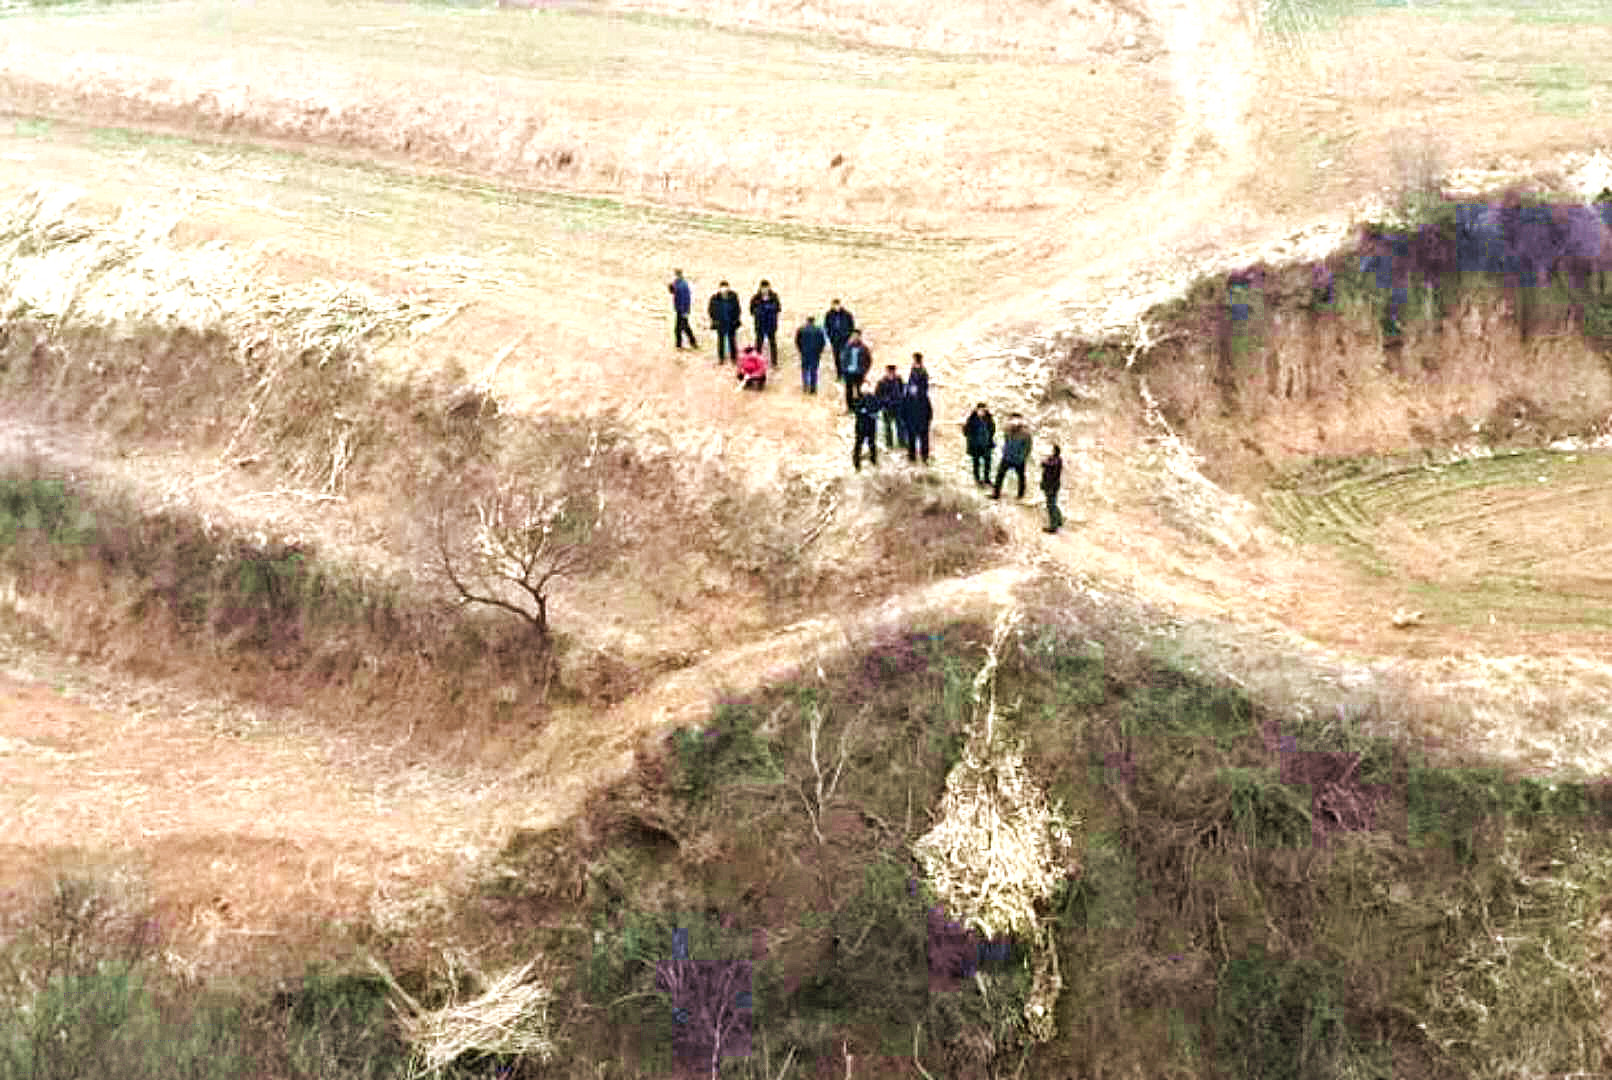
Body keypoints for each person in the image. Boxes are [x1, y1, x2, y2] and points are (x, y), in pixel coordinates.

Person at [992, 413, 1032, 500]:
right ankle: (996, 493)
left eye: (1017, 420)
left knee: (1021, 477)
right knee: (1000, 475)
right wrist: (1005, 451)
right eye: (1013, 420)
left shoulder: (1025, 434)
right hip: (1007, 457)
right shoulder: (1008, 430)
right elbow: (1006, 440)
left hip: (1018, 459)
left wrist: (1022, 457)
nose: (1014, 422)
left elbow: (1028, 448)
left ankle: (1020, 495)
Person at [750, 280, 783, 367]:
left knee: (772, 343)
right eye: (763, 288)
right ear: (760, 288)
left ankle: (774, 362)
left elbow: (778, 308)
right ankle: (757, 362)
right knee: (758, 345)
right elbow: (752, 310)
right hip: (760, 325)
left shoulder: (774, 297)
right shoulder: (756, 298)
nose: (764, 290)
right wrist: (761, 310)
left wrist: (769, 308)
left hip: (771, 324)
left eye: (766, 287)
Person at [708, 280, 742, 363]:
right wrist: (714, 320)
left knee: (732, 340)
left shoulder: (733, 297)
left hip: (731, 322)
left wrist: (736, 319)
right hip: (720, 323)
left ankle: (733, 357)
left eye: (725, 287)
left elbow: (737, 309)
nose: (724, 289)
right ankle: (721, 357)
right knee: (721, 341)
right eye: (722, 287)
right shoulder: (714, 298)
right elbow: (711, 310)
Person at [873, 364, 906, 449]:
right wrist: (883, 403)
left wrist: (901, 401)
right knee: (887, 426)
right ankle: (889, 443)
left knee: (900, 424)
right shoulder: (881, 382)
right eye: (890, 371)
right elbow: (878, 395)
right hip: (887, 407)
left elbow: (902, 391)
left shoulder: (898, 380)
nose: (891, 373)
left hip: (898, 406)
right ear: (887, 371)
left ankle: (902, 442)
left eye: (893, 371)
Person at [840, 329, 872, 414]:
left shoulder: (864, 348)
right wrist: (844, 368)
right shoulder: (847, 347)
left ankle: (859, 408)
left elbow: (868, 360)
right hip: (849, 372)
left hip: (859, 372)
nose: (855, 338)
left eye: (857, 336)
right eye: (854, 336)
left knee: (859, 390)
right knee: (849, 391)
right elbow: (843, 358)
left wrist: (864, 370)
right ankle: (850, 408)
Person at [963, 403, 995, 486]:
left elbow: (992, 430)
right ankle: (977, 480)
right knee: (976, 463)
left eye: (983, 410)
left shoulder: (989, 419)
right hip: (975, 445)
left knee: (987, 463)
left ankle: (986, 479)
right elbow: (965, 431)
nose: (982, 412)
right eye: (980, 410)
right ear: (976, 410)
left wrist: (989, 439)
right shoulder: (972, 419)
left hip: (986, 444)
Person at [824, 299, 856, 381]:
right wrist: (830, 337)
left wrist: (848, 336)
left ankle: (846, 374)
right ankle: (839, 375)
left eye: (837, 305)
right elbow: (826, 327)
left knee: (845, 357)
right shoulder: (829, 315)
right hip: (835, 341)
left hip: (845, 340)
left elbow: (852, 326)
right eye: (834, 305)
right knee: (837, 358)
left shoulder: (847, 314)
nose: (836, 307)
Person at [902, 381, 933, 465]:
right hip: (911, 424)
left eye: (914, 387)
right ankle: (912, 457)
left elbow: (929, 411)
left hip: (922, 424)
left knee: (924, 442)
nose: (913, 390)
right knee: (911, 442)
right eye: (911, 388)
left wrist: (928, 422)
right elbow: (903, 411)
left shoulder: (924, 398)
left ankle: (925, 458)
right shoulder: (906, 399)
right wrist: (905, 423)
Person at [795, 315, 827, 394]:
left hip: (805, 353)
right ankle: (813, 388)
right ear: (814, 321)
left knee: (805, 369)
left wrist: (801, 350)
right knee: (814, 370)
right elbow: (822, 342)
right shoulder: (819, 330)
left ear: (807, 321)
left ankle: (805, 386)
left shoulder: (801, 329)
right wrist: (819, 351)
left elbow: (797, 341)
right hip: (815, 353)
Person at [851, 387, 881, 471]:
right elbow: (856, 409)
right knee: (859, 443)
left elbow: (877, 407)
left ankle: (873, 459)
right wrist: (862, 411)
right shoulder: (858, 399)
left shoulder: (873, 398)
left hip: (870, 424)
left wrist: (871, 412)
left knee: (871, 442)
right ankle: (856, 461)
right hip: (862, 424)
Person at [668, 269, 698, 350]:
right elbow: (673, 292)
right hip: (679, 309)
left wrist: (686, 311)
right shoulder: (677, 283)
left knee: (681, 328)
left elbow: (686, 298)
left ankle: (682, 344)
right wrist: (671, 288)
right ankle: (689, 343)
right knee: (683, 327)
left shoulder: (683, 284)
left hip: (682, 310)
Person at [1040, 444, 1064, 533]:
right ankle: (1059, 520)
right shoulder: (1058, 460)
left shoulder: (1054, 462)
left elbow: (1045, 465)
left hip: (1051, 485)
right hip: (1053, 485)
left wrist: (1046, 462)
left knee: (1051, 505)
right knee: (1053, 503)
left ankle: (1053, 526)